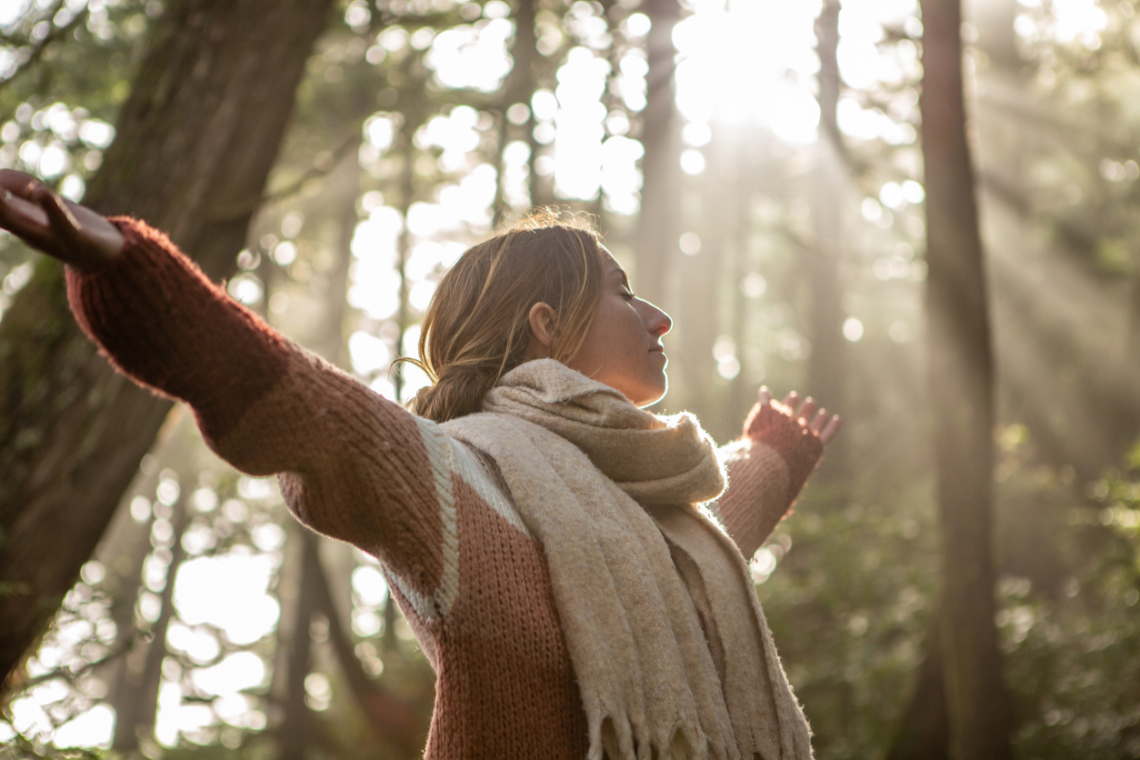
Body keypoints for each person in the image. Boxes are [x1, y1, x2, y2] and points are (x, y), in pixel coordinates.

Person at [0, 169, 839, 760]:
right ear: (547, 323)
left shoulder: (661, 518)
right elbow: (303, 400)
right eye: (624, 292)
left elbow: (713, 535)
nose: (657, 317)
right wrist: (122, 261)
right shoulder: (454, 479)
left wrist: (772, 455)